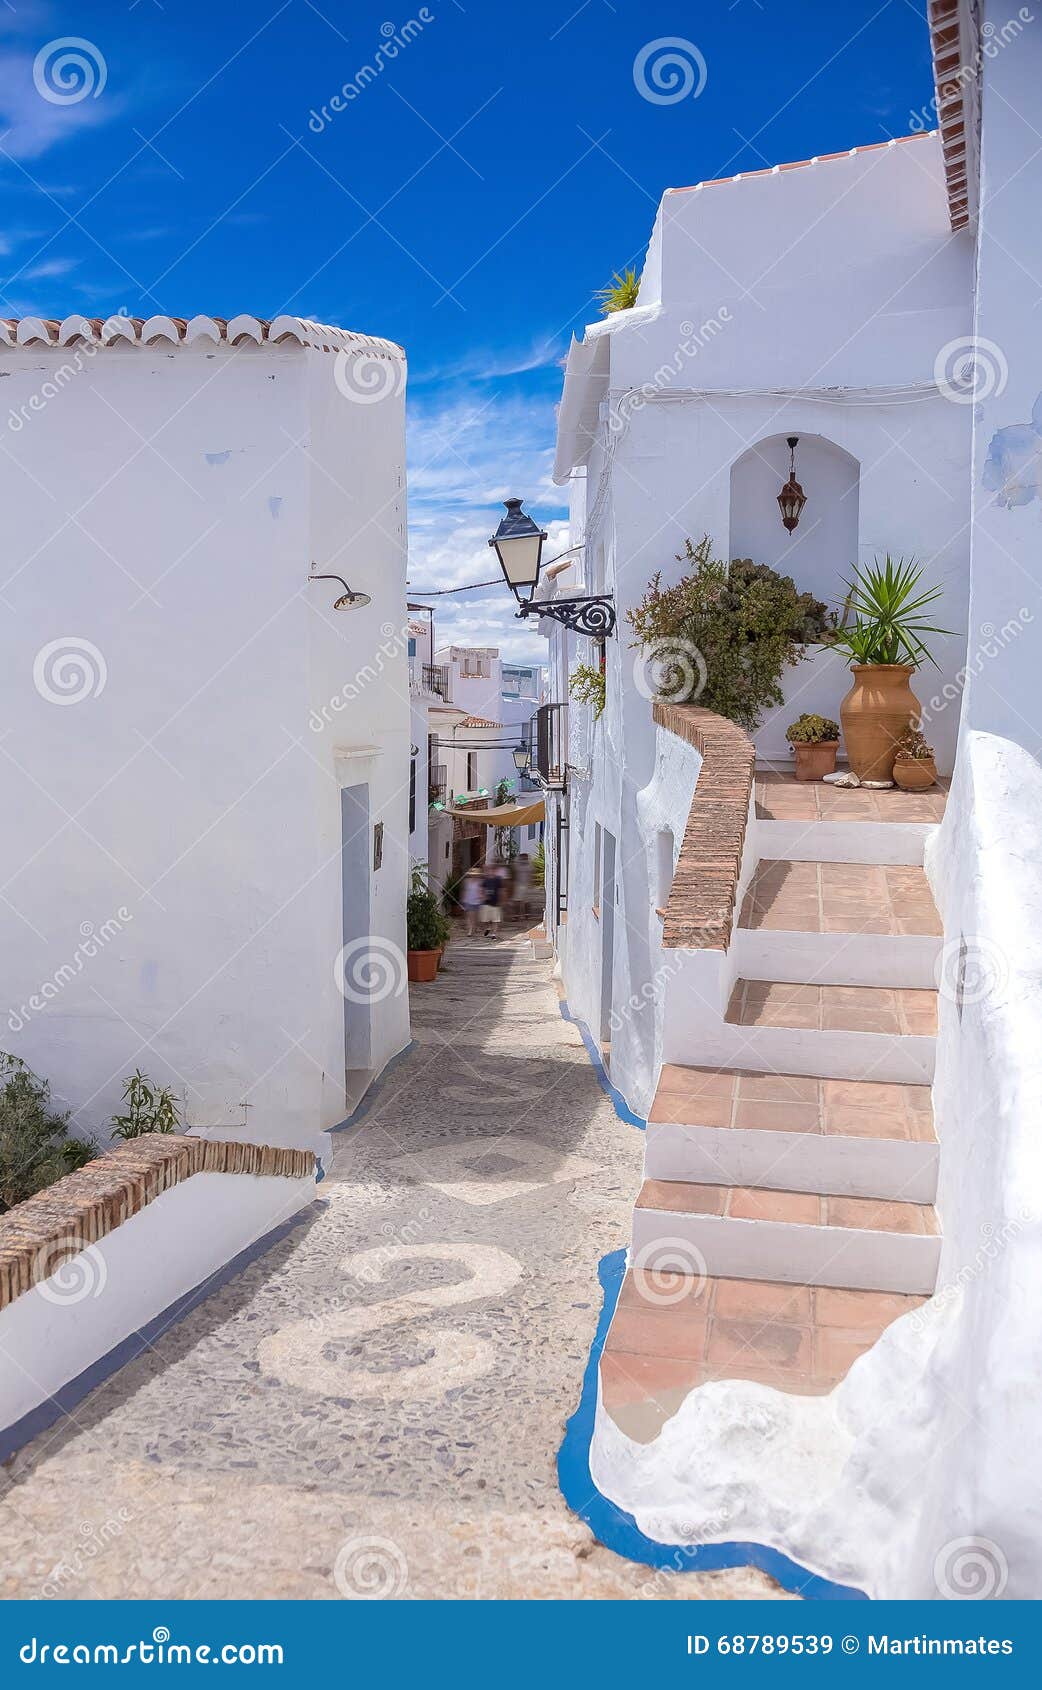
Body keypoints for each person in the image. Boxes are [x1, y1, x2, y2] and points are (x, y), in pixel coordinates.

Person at [480, 863, 503, 939]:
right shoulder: (485, 880)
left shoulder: (498, 880)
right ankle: (488, 928)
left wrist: (501, 900)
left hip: (495, 902)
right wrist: (483, 896)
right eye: (490, 870)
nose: (491, 871)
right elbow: (482, 890)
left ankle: (494, 934)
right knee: (485, 920)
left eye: (493, 870)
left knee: (495, 920)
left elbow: (501, 890)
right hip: (486, 903)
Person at [460, 866, 483, 937]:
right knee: (470, 916)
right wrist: (463, 899)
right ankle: (470, 930)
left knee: (475, 917)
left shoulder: (480, 882)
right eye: (473, 875)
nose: (474, 876)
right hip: (468, 901)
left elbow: (482, 891)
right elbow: (464, 891)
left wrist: (481, 897)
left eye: (476, 875)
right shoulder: (467, 882)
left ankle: (474, 927)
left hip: (477, 901)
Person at [513, 853, 532, 920]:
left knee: (522, 901)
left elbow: (530, 876)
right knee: (520, 901)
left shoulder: (522, 866)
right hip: (521, 884)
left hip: (523, 885)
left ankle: (521, 915)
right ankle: (520, 915)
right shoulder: (527, 866)